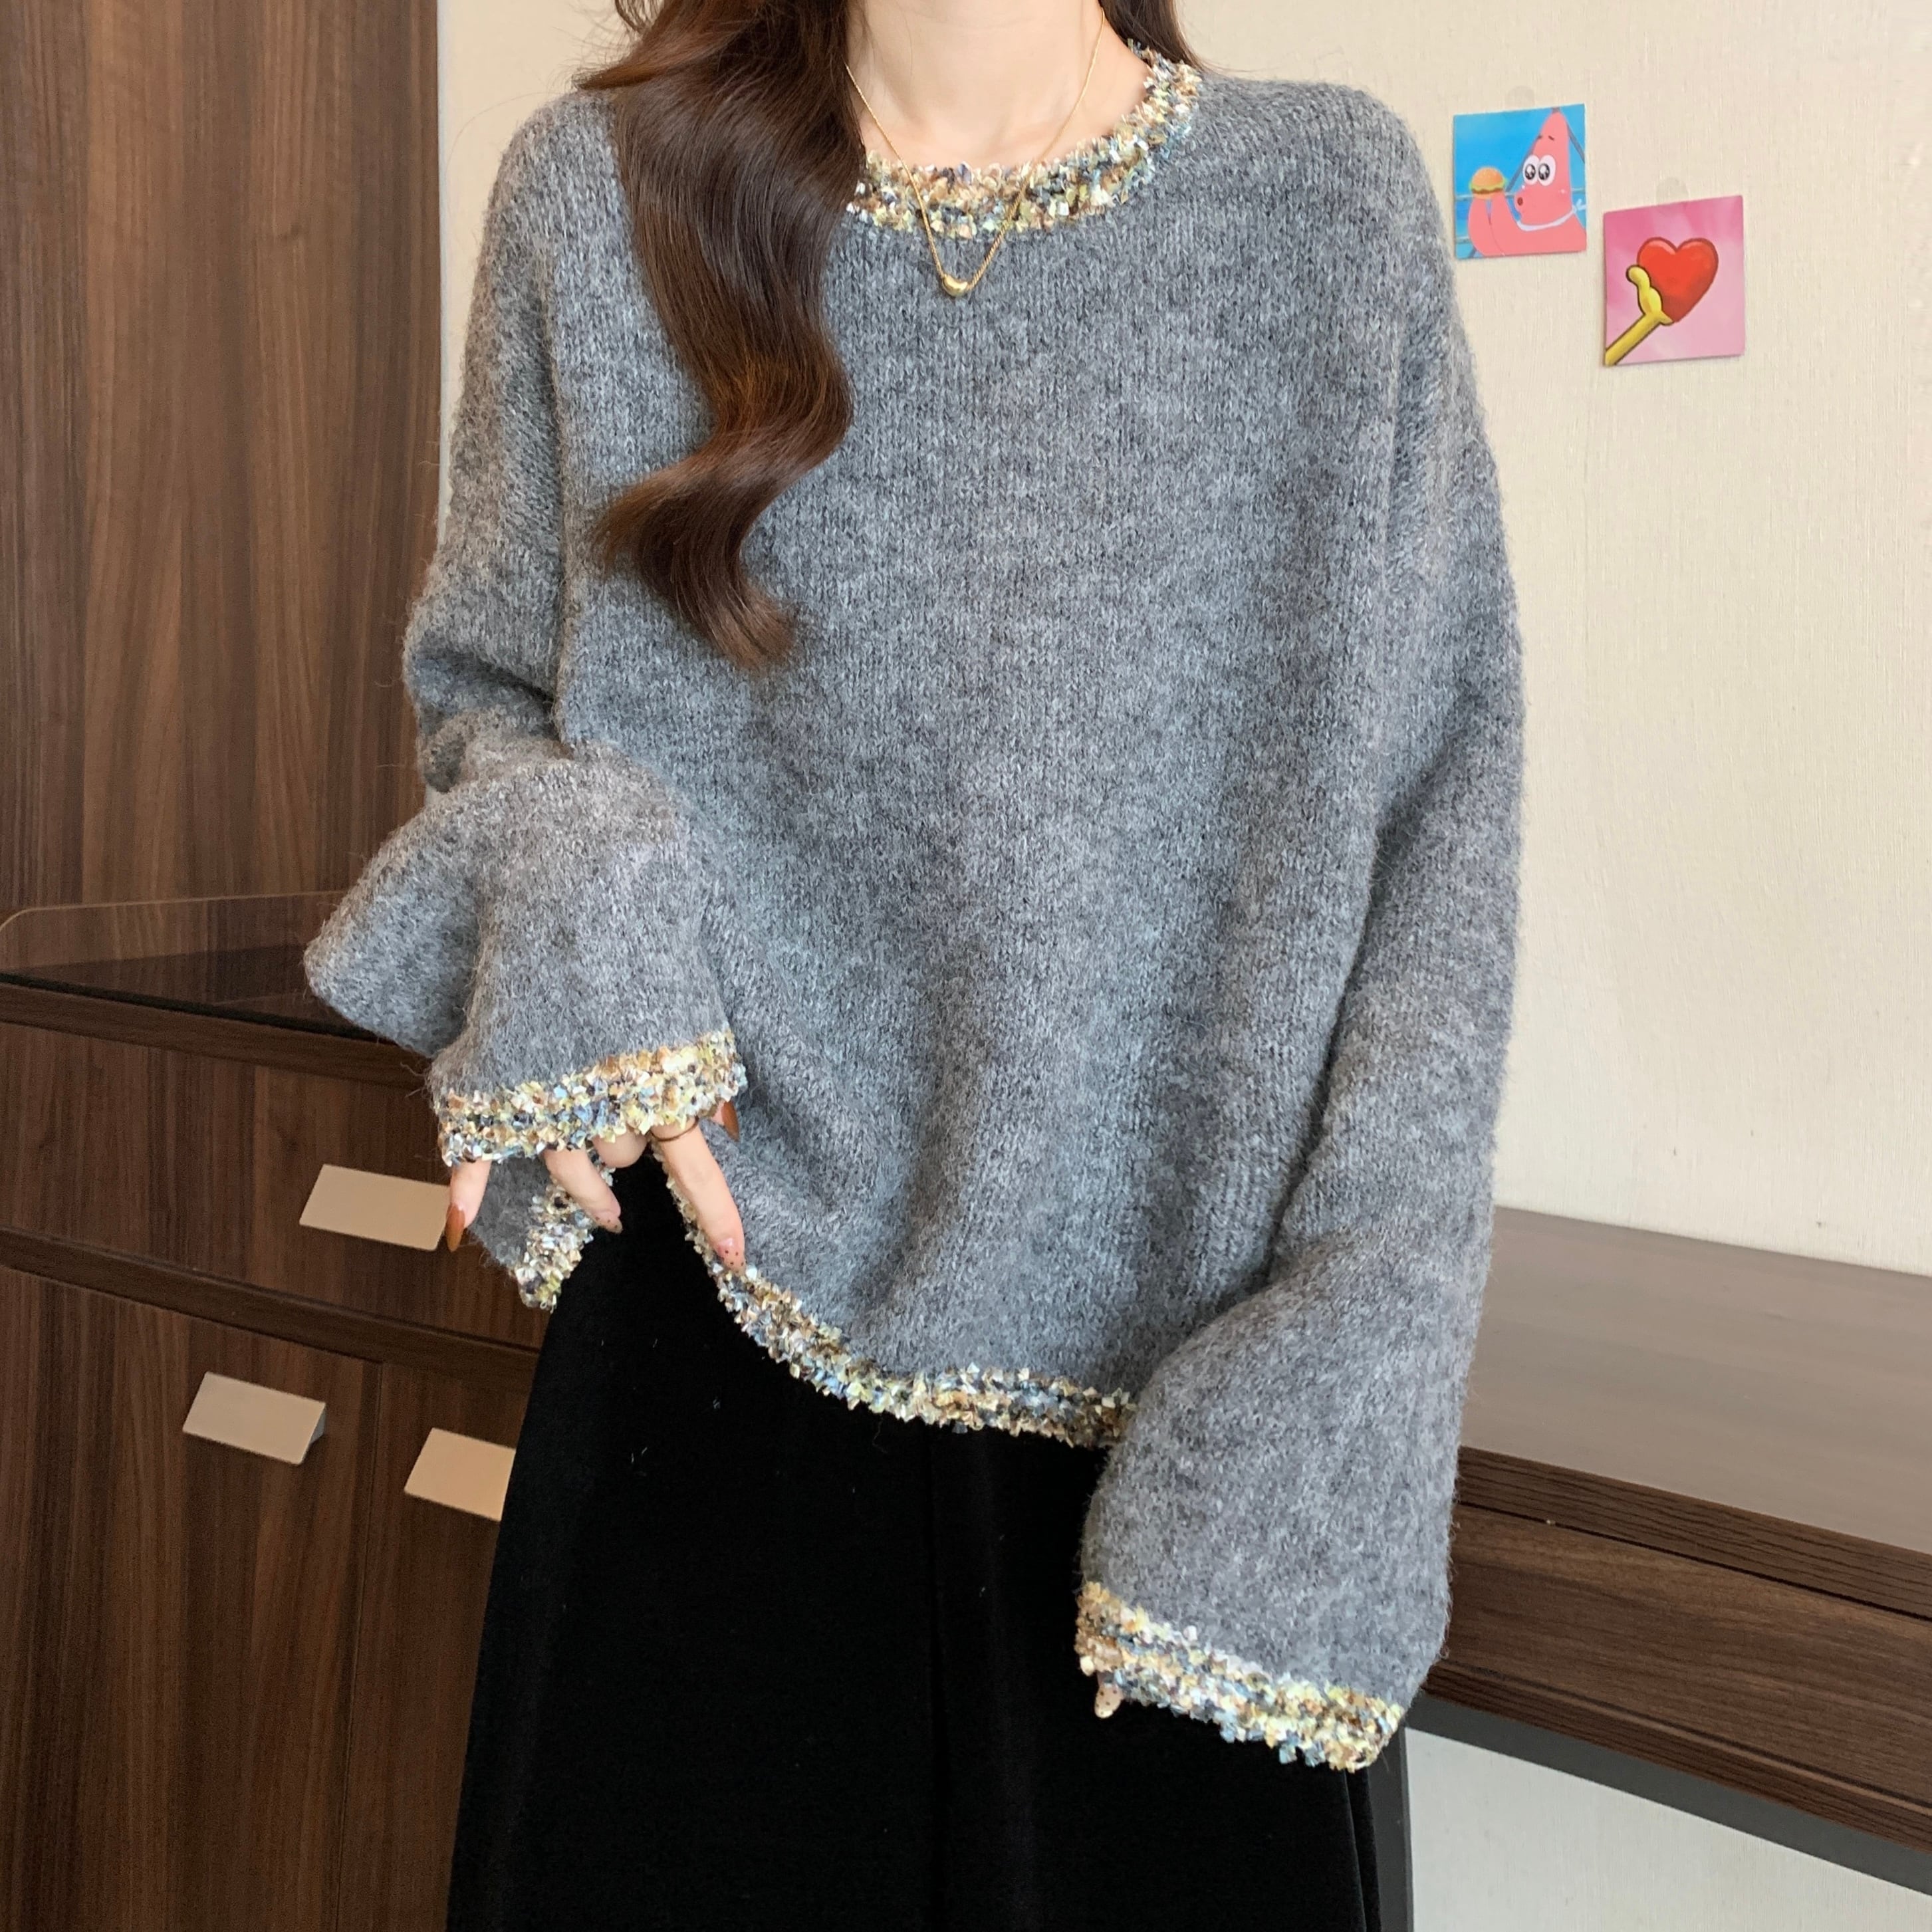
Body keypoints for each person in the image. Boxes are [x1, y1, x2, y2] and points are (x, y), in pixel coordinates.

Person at [304, 0, 1525, 1924]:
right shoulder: (595, 197)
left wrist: (1350, 1354)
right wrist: (586, 872)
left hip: (1194, 1433)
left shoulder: (1328, 209)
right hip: (712, 1348)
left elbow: (1438, 845)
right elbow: (483, 697)